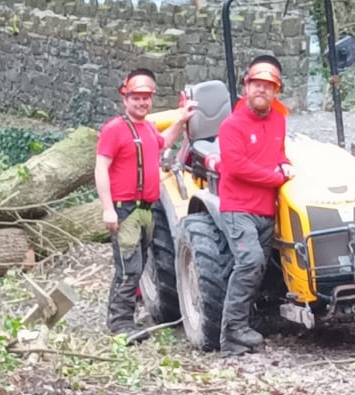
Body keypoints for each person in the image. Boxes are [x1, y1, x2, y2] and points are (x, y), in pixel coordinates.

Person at [95, 68, 196, 342]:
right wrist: (108, 208)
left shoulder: (148, 128)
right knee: (128, 268)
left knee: (137, 268)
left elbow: (164, 142)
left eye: (146, 98)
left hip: (146, 209)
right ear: (125, 98)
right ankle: (119, 325)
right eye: (136, 98)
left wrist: (182, 119)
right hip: (125, 209)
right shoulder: (114, 129)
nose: (141, 103)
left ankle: (123, 320)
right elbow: (101, 168)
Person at [213, 55, 295, 356]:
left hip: (265, 209)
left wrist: (285, 165)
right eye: (257, 84)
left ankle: (249, 323)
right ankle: (231, 334)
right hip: (238, 208)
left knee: (260, 269)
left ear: (276, 91)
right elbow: (236, 168)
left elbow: (279, 154)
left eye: (268, 86)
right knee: (250, 262)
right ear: (246, 87)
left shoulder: (278, 120)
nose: (262, 90)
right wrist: (276, 178)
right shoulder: (231, 126)